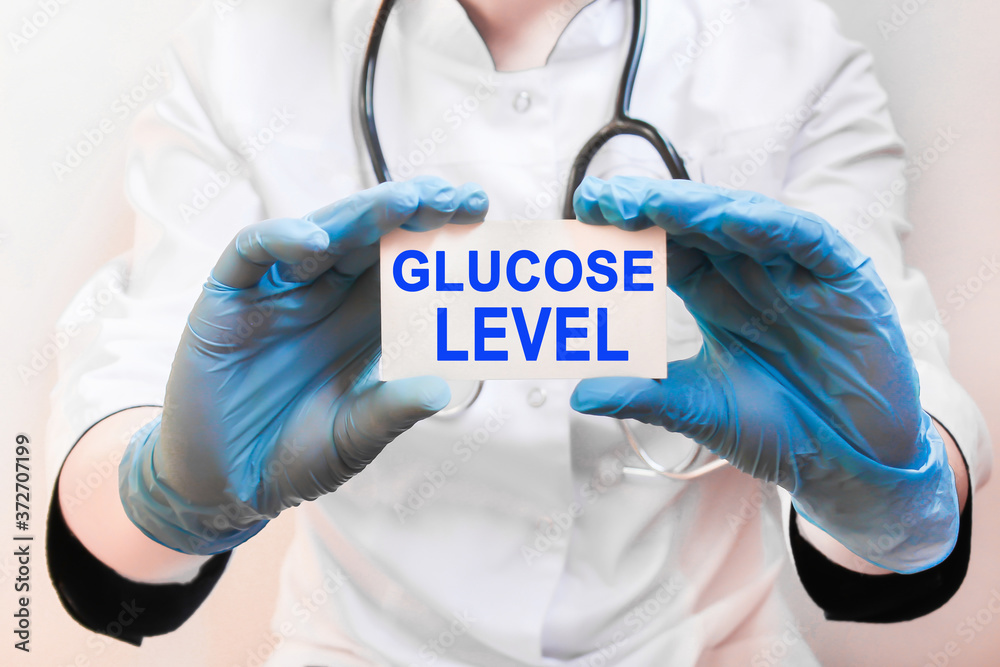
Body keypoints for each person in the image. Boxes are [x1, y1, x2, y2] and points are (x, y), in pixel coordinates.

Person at [46, 0, 991, 664]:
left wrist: (888, 489)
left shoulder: (793, 53)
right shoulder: (238, 58)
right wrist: (170, 495)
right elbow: (117, 476)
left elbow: (899, 401)